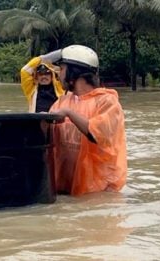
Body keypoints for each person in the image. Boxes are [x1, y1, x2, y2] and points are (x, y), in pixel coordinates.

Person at [46, 44, 127, 196]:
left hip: (99, 190)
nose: (58, 75)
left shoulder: (107, 102)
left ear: (74, 72)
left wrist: (69, 113)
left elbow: (97, 133)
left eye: (62, 69)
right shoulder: (61, 102)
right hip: (66, 189)